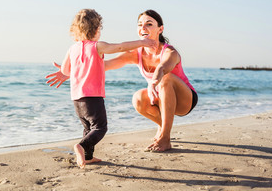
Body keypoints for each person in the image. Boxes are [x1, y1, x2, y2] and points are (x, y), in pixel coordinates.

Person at [46, 9, 197, 152]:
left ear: (160, 29)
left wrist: (153, 83)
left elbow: (162, 69)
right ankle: (163, 126)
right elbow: (103, 65)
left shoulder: (170, 52)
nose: (143, 27)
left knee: (166, 79)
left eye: (149, 24)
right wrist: (72, 72)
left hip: (184, 100)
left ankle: (165, 138)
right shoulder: (136, 53)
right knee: (138, 98)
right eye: (140, 24)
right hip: (160, 97)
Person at [57, 9, 156, 168]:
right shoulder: (98, 46)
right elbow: (120, 47)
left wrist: (63, 73)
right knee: (100, 127)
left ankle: (87, 157)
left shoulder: (72, 48)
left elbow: (65, 71)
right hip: (92, 97)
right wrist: (142, 43)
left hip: (76, 99)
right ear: (96, 29)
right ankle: (81, 147)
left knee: (88, 128)